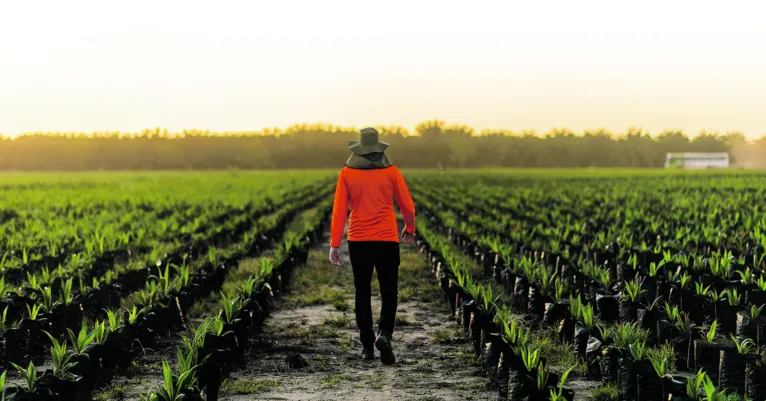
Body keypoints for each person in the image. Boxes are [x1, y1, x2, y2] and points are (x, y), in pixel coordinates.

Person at [329, 127, 416, 365]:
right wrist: (410, 227)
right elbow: (407, 205)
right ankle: (385, 334)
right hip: (387, 239)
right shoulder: (392, 171)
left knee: (362, 292)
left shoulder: (346, 173)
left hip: (358, 240)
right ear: (378, 148)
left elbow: (339, 212)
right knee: (389, 292)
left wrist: (335, 243)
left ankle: (367, 346)